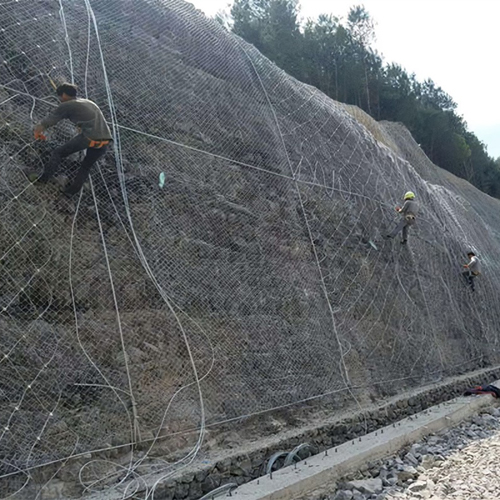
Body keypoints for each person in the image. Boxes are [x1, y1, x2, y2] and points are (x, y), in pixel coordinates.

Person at [33, 83, 112, 197]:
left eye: (59, 97)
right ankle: (70, 192)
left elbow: (50, 120)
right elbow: (90, 119)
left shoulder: (67, 105)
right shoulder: (88, 102)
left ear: (64, 95)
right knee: (85, 167)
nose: (59, 100)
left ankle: (43, 180)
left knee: (58, 153)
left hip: (89, 138)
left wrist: (37, 130)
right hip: (105, 141)